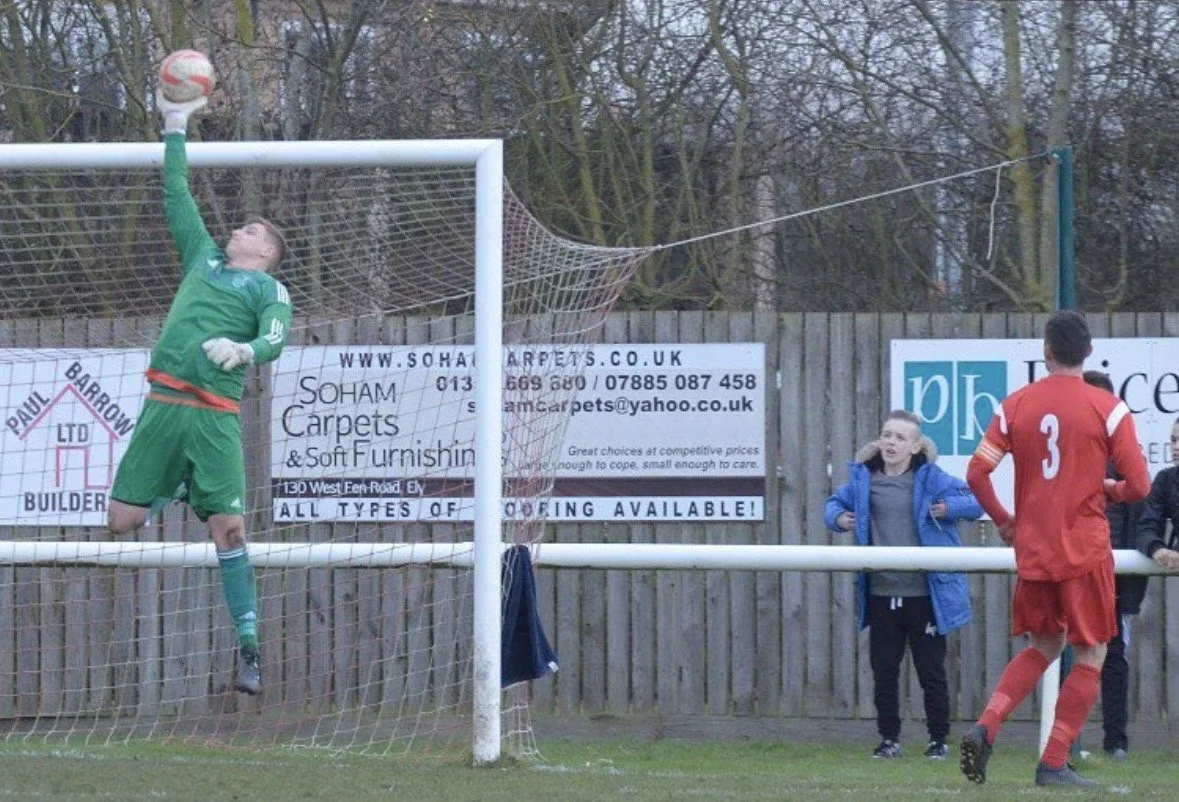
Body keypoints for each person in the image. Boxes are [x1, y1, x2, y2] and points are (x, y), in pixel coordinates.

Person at [107, 89, 291, 695]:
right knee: (122, 523)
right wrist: (176, 123)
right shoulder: (203, 260)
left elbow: (275, 340)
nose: (239, 227)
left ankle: (249, 651)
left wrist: (243, 352)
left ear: (265, 253)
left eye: (253, 228)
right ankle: (179, 488)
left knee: (231, 532)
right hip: (163, 409)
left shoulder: (269, 291)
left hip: (214, 419)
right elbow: (176, 192)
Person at [960, 310, 1150, 788]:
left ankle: (988, 724)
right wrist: (1109, 491)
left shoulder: (1015, 405)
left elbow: (976, 474)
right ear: (1088, 354)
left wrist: (1005, 521)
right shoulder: (1108, 407)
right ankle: (1053, 762)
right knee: (1092, 653)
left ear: (1046, 352)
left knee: (1043, 646)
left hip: (1034, 551)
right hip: (1083, 551)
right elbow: (1141, 485)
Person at [825, 409, 982, 760]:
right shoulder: (864, 480)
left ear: (915, 446)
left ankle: (938, 740)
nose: (891, 442)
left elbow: (976, 501)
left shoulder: (933, 479)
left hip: (926, 595)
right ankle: (889, 740)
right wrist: (837, 517)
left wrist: (949, 509)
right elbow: (833, 504)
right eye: (887, 435)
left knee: (931, 672)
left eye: (899, 438)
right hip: (881, 593)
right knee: (884, 671)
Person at [1080, 371, 1148, 762]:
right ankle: (1060, 743)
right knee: (1052, 649)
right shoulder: (1064, 457)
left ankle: (1115, 741)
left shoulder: (1126, 457)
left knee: (1112, 656)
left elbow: (1141, 515)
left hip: (1112, 578)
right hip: (1068, 567)